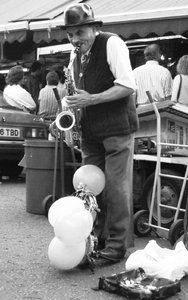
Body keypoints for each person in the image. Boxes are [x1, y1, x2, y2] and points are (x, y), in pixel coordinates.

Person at [61, 3, 139, 264]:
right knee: (88, 190)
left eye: (79, 32)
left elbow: (127, 85)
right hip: (91, 131)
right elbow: (76, 95)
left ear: (94, 28)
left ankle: (117, 247)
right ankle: (96, 239)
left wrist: (90, 100)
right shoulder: (75, 56)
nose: (74, 39)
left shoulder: (112, 43)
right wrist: (69, 111)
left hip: (116, 128)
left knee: (116, 188)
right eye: (70, 34)